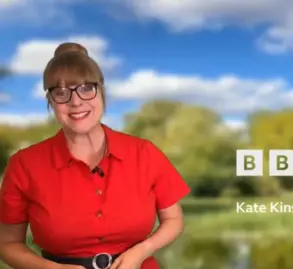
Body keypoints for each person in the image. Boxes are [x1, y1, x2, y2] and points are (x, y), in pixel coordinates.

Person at [0, 42, 191, 269]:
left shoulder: (144, 152)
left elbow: (174, 220)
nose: (76, 101)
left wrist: (142, 251)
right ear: (50, 101)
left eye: (86, 88)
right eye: (61, 93)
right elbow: (7, 243)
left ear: (101, 91)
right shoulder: (24, 164)